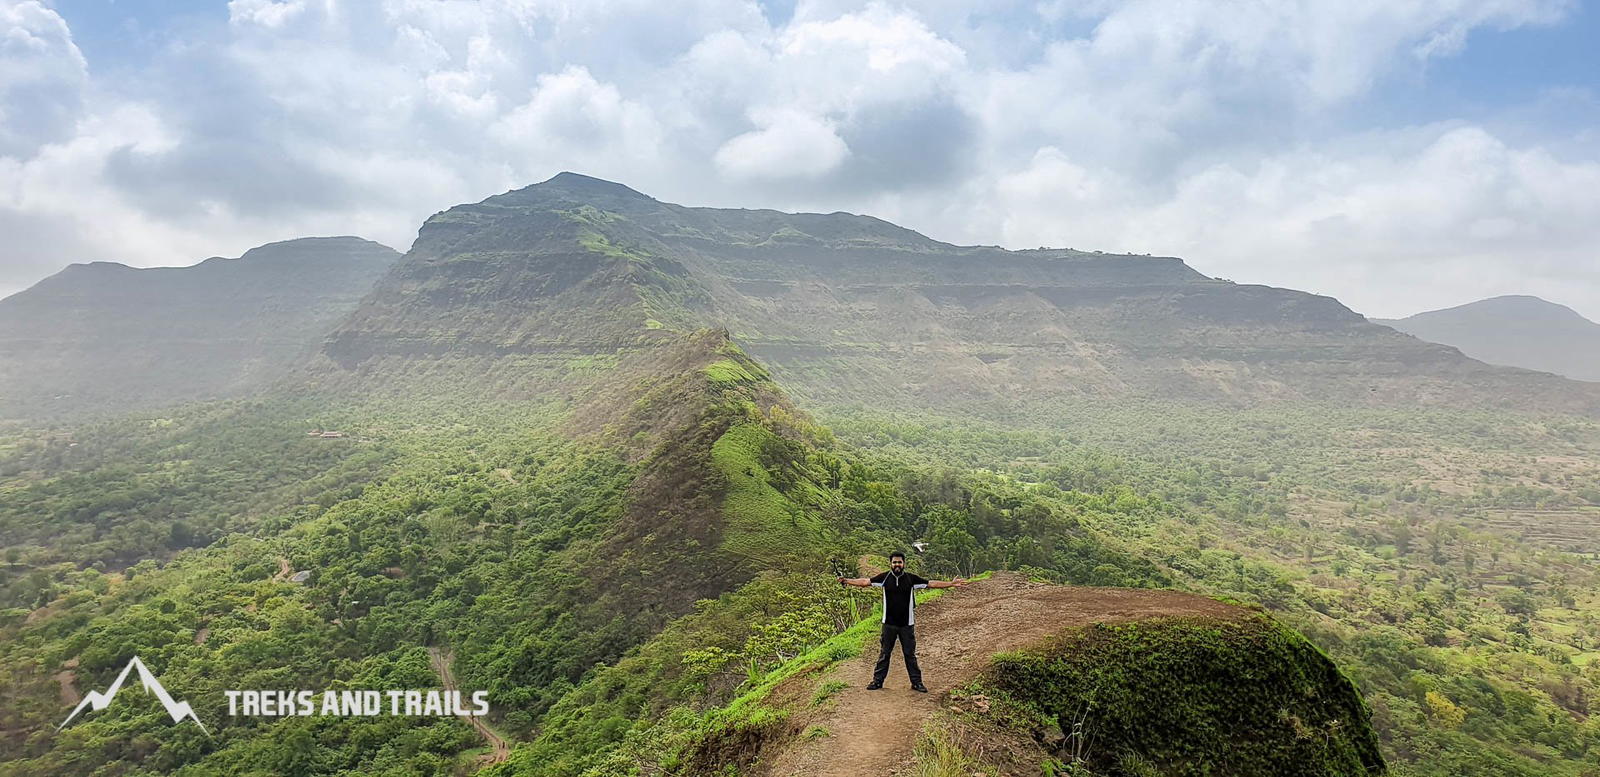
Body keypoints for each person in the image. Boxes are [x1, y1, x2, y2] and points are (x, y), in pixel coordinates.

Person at [837, 551, 968, 692]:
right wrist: (846, 581)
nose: (897, 565)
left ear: (904, 563)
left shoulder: (911, 579)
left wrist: (950, 584)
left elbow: (931, 583)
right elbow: (864, 582)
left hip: (907, 624)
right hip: (888, 624)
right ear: (890, 564)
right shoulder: (884, 578)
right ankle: (877, 681)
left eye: (899, 562)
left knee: (909, 654)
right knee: (884, 653)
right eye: (894, 562)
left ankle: (916, 683)